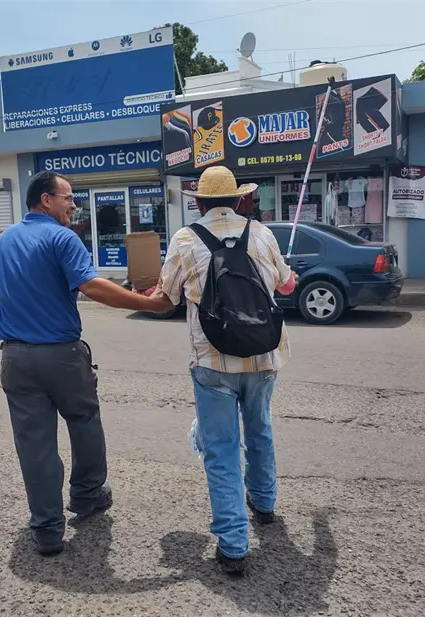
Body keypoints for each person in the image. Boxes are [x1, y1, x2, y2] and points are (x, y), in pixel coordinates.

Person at [0, 170, 166, 556]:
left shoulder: (0, 242)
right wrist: (149, 303)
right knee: (84, 422)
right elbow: (91, 285)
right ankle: (86, 496)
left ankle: (48, 529)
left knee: (34, 444)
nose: (73, 204)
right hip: (61, 355)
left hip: (15, 357)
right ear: (45, 200)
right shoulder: (61, 237)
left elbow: (3, 292)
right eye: (67, 197)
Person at [146, 166, 297, 575]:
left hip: (212, 358)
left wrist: (146, 297)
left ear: (198, 202)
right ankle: (264, 503)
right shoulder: (262, 234)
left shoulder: (185, 239)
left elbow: (167, 297)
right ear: (239, 199)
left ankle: (233, 546)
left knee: (221, 448)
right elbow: (286, 286)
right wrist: (287, 276)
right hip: (265, 355)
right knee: (260, 427)